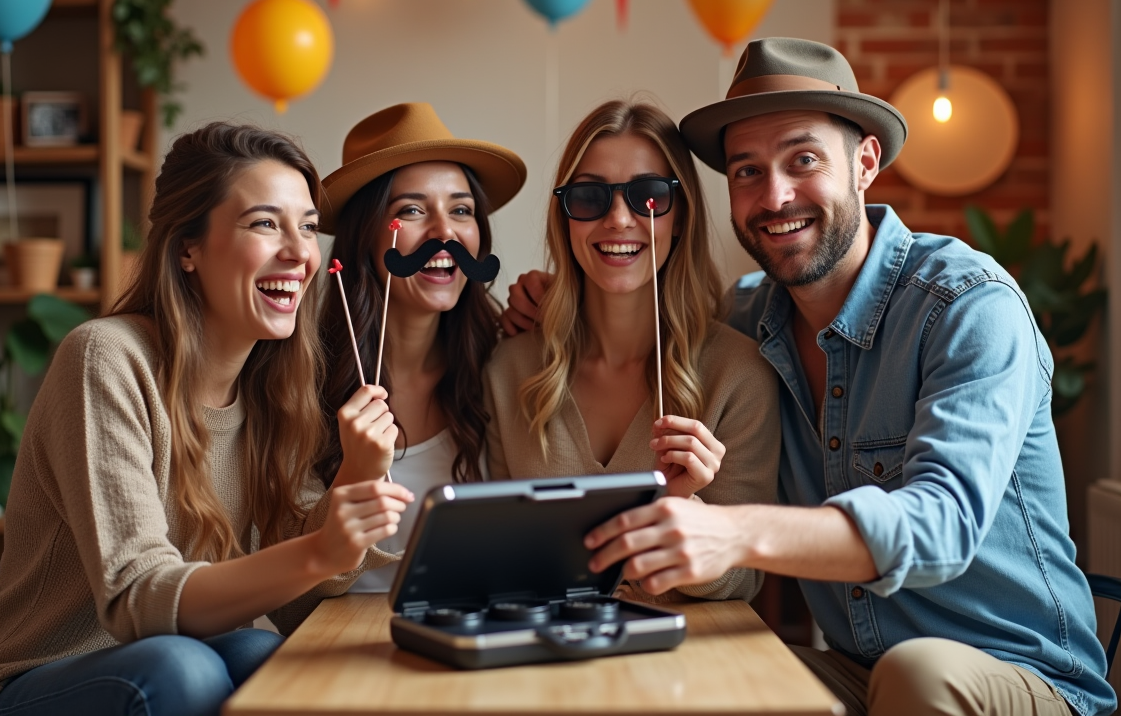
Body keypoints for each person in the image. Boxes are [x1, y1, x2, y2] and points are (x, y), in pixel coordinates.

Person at [504, 39, 1115, 716]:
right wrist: (557, 294)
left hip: (1023, 677)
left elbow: (939, 526)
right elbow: (652, 297)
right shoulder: (748, 320)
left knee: (919, 674)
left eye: (802, 160)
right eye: (746, 171)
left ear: (865, 162)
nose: (775, 195)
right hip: (857, 674)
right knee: (682, 672)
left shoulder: (968, 307)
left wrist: (734, 533)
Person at [0, 124, 414, 716]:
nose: (300, 253)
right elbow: (137, 602)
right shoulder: (105, 358)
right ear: (187, 247)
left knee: (263, 653)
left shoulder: (275, 389)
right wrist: (320, 551)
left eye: (308, 226)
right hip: (31, 683)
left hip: (175, 665)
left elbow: (301, 606)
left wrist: (359, 473)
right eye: (265, 223)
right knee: (185, 667)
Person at [487, 100, 780, 603]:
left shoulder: (739, 374)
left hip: (686, 668)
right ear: (566, 219)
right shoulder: (508, 368)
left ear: (680, 215)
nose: (619, 219)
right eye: (589, 197)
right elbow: (498, 559)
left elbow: (742, 582)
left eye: (647, 195)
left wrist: (681, 505)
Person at [312, 102, 526, 593]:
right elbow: (295, 599)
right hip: (341, 648)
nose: (444, 233)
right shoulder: (302, 381)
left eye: (461, 210)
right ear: (364, 235)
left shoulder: (506, 364)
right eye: (411, 210)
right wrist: (355, 472)